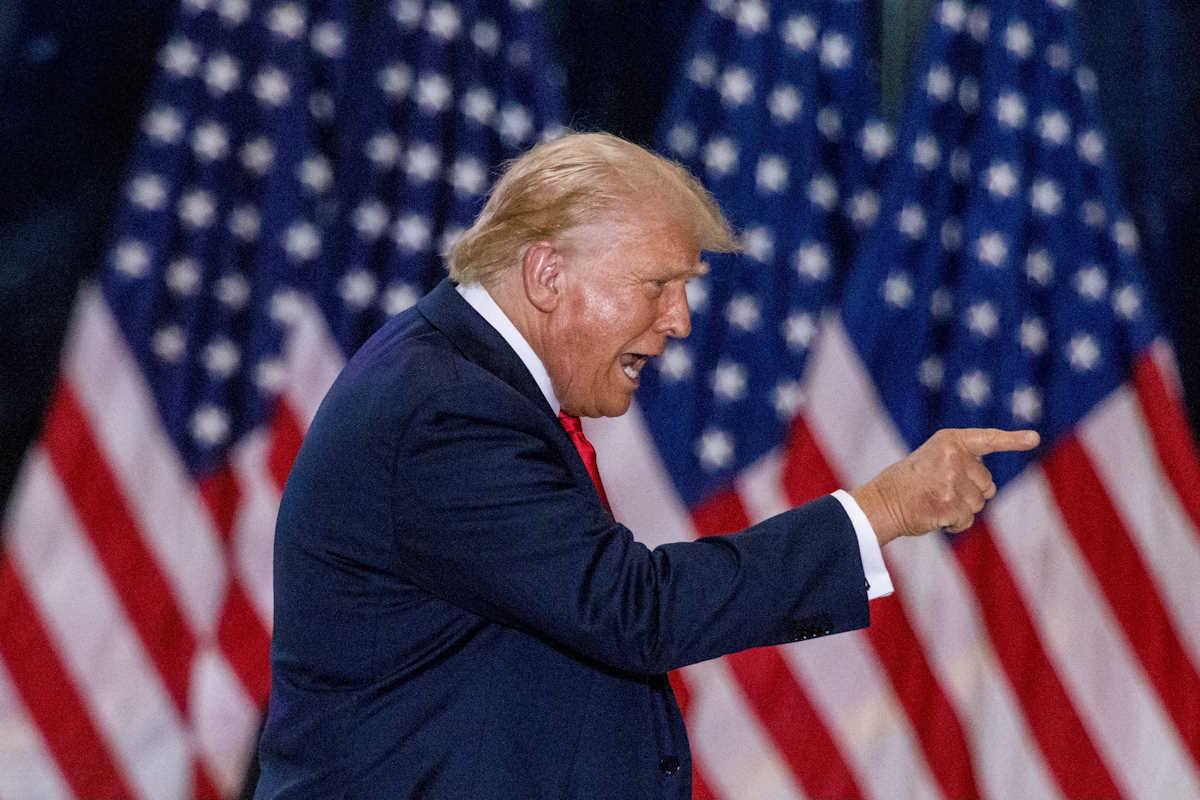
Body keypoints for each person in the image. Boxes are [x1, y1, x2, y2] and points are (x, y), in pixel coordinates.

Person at [254, 132, 1038, 799]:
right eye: (659, 286)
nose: (680, 322)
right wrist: (883, 510)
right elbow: (635, 611)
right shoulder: (446, 411)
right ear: (547, 275)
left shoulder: (462, 379)